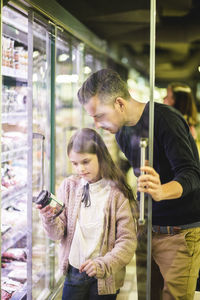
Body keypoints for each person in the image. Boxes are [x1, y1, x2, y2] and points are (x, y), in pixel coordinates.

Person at [77, 68, 200, 300]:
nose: (96, 124)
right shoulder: (122, 133)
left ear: (120, 104)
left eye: (99, 116)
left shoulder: (166, 120)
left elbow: (192, 174)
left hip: (179, 234)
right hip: (147, 231)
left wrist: (162, 190)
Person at [36, 128, 137, 300]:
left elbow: (127, 241)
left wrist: (103, 264)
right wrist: (49, 217)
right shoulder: (68, 187)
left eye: (85, 161)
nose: (80, 168)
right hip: (74, 272)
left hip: (106, 276)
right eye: (74, 163)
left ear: (101, 156)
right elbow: (56, 234)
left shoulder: (117, 194)